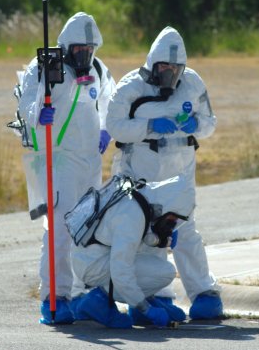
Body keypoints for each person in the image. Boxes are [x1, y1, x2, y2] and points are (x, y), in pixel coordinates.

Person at [105, 26, 222, 320]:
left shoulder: (193, 83)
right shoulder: (131, 86)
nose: (169, 71)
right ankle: (155, 296)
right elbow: (115, 126)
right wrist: (149, 127)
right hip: (141, 169)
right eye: (164, 66)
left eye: (175, 66)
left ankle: (204, 293)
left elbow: (210, 122)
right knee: (148, 232)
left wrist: (196, 125)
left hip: (181, 167)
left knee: (186, 230)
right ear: (152, 64)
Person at [18, 12, 116, 324]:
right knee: (59, 231)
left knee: (89, 229)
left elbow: (109, 98)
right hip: (58, 162)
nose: (85, 54)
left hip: (90, 162)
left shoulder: (98, 69)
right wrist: (38, 114)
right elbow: (27, 102)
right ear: (66, 46)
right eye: (79, 49)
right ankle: (54, 297)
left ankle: (83, 293)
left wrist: (105, 129)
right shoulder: (47, 67)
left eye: (89, 49)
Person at [69, 175, 195, 328]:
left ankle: (142, 299)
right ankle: (98, 300)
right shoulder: (131, 217)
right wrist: (146, 310)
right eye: (172, 219)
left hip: (93, 255)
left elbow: (134, 237)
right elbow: (121, 270)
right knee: (164, 272)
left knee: (163, 271)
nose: (171, 225)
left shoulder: (140, 197)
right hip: (92, 266)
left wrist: (155, 239)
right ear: (168, 206)